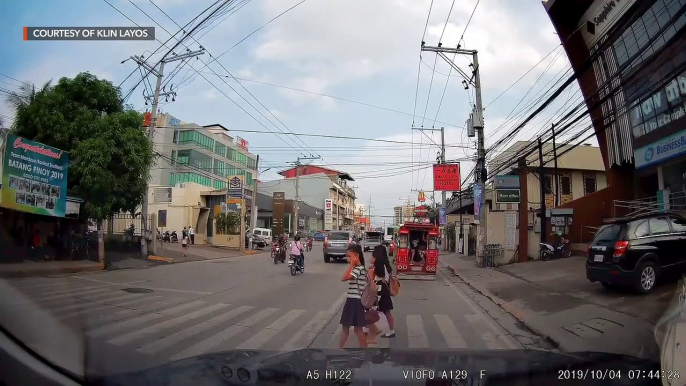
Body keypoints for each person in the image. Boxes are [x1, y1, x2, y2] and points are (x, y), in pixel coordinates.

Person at [339, 244, 369, 348]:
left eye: (349, 256)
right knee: (346, 328)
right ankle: (340, 349)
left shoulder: (359, 269)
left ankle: (364, 350)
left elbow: (343, 278)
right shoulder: (359, 268)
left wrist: (351, 264)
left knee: (357, 329)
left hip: (355, 302)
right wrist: (352, 264)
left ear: (356, 256)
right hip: (352, 301)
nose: (348, 258)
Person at [372, 245, 395, 338]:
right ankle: (389, 330)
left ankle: (374, 329)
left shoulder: (379, 263)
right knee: (386, 311)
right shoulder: (386, 263)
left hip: (380, 290)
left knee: (371, 309)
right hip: (384, 289)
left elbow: (379, 278)